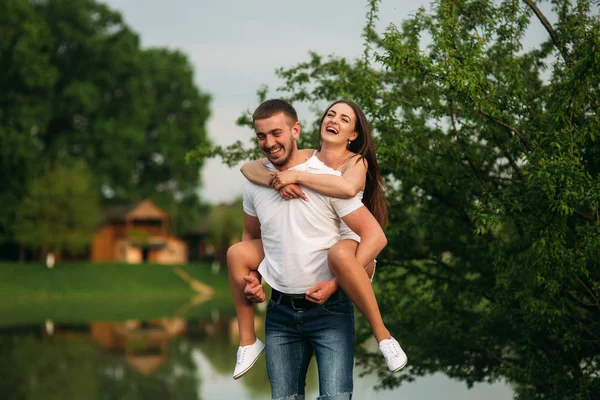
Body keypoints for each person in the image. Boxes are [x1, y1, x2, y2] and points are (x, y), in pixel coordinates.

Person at [229, 99, 406, 397]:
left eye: (277, 133)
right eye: (262, 136)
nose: (269, 142)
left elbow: (358, 208)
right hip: (281, 310)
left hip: (342, 276)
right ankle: (247, 341)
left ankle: (383, 336)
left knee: (339, 254)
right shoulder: (269, 174)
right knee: (236, 253)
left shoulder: (341, 170)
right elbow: (250, 220)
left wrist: (297, 175)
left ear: (295, 130)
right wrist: (254, 279)